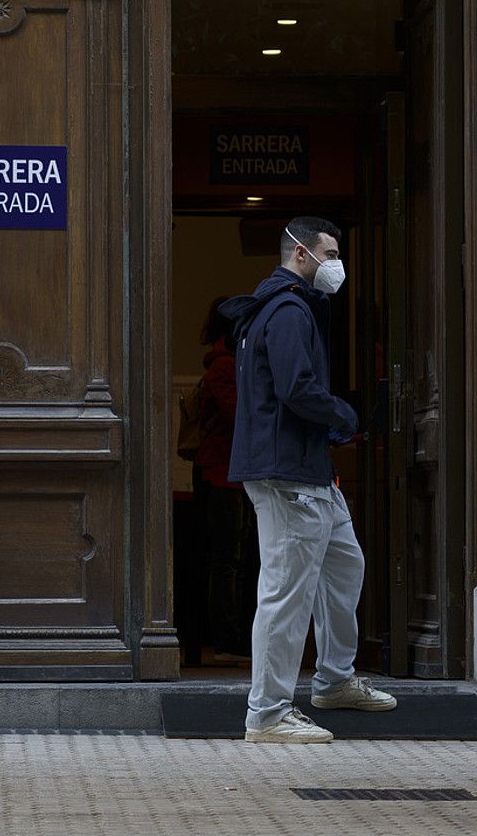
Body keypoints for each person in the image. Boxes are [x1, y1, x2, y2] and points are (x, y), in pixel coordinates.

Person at [221, 216, 397, 745]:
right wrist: (345, 416)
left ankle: (335, 680)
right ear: (301, 254)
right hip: (288, 474)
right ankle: (268, 713)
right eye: (331, 252)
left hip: (306, 470)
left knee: (345, 565)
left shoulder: (280, 308)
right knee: (286, 592)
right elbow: (297, 389)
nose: (336, 264)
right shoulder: (289, 311)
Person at [192, 297, 257, 664]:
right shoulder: (224, 368)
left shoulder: (225, 365)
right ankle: (226, 638)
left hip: (232, 474)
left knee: (233, 559)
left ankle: (231, 635)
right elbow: (241, 416)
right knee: (227, 560)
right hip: (223, 475)